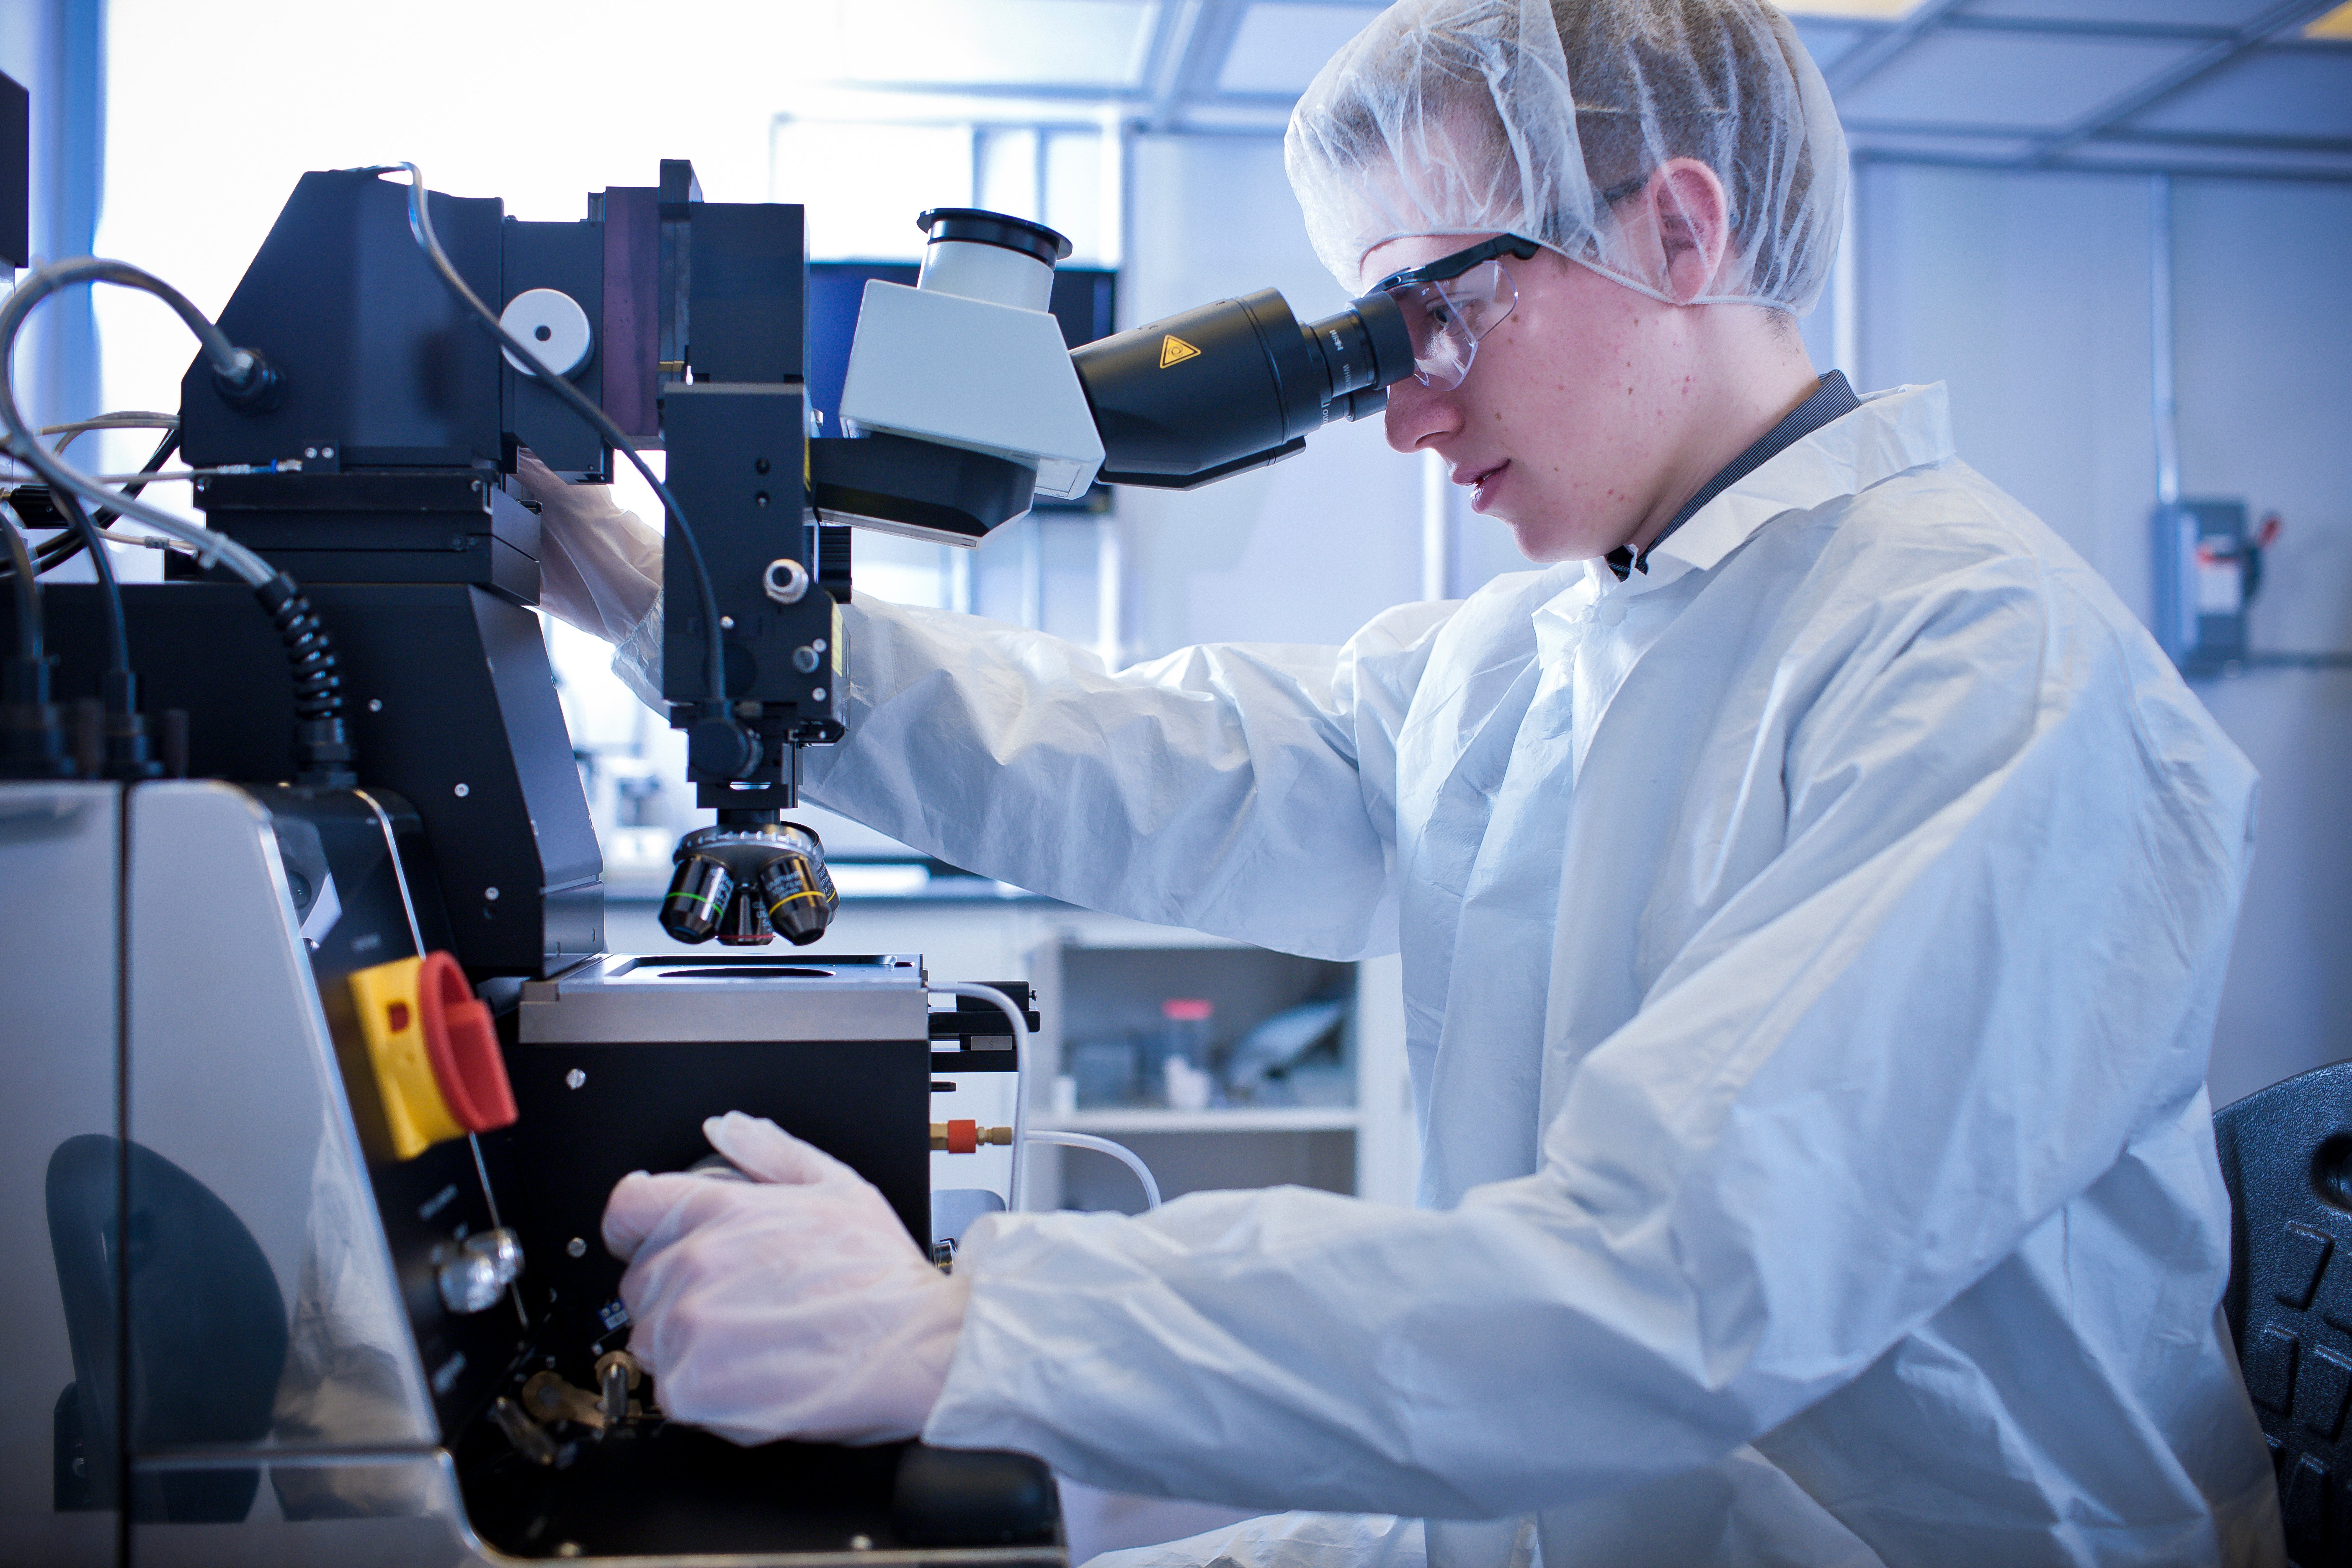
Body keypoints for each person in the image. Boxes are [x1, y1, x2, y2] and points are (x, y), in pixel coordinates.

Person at [528, 0, 2284, 1561]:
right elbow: (1153, 761)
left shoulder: (1990, 668)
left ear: (1680, 227)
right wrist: (662, 586)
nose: (1401, 411)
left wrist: (968, 1331)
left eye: (1433, 314)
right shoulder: (1546, 654)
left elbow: (1675, 1283)